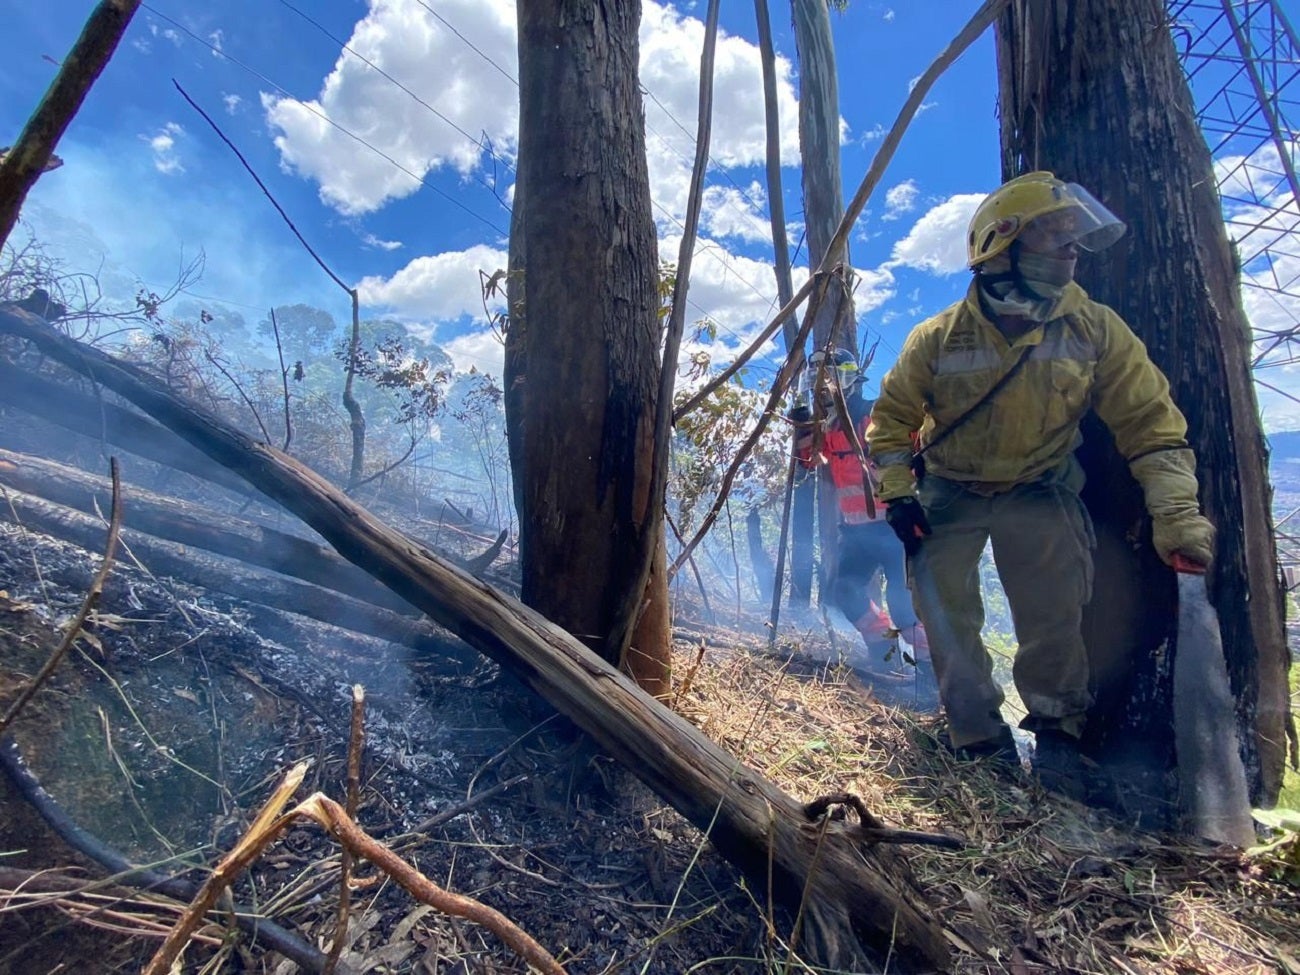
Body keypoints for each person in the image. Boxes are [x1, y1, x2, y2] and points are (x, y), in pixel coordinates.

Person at [866, 171, 1216, 795]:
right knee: (945, 615)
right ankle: (978, 740)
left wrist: (1178, 517)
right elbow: (891, 423)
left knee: (1054, 616)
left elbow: (1152, 427)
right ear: (1001, 247)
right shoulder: (937, 338)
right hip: (950, 490)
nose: (1072, 254)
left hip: (1040, 487)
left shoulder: (1095, 329)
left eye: (1075, 242)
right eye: (1056, 239)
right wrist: (898, 494)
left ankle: (1057, 736)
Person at [790, 347, 938, 708]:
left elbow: (911, 450)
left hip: (895, 528)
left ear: (850, 379)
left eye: (829, 379)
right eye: (816, 380)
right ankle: (883, 648)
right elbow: (807, 463)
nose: (822, 388)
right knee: (842, 590)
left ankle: (931, 676)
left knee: (906, 607)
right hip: (856, 530)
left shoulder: (873, 416)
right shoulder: (824, 426)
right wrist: (802, 427)